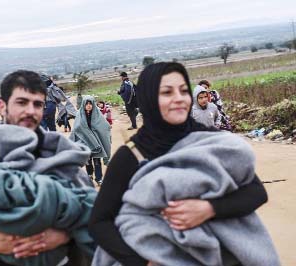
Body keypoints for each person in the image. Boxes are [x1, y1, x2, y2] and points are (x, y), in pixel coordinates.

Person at [89, 62, 278, 266]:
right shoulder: (132, 155)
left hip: (222, 256)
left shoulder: (209, 140)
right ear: (149, 98)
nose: (179, 98)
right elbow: (100, 222)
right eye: (167, 92)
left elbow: (256, 191)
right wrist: (142, 262)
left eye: (184, 91)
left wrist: (210, 208)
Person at [0, 70, 96, 266]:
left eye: (37, 104)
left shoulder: (61, 154)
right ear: (2, 107)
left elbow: (93, 213)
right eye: (22, 102)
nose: (31, 111)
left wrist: (66, 235)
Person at [70, 96, 111, 186]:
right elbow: (76, 129)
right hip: (85, 142)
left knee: (97, 161)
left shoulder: (97, 115)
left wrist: (107, 132)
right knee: (88, 161)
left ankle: (99, 178)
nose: (88, 106)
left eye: (90, 104)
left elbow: (104, 126)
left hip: (96, 143)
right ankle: (89, 176)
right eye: (87, 104)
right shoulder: (79, 115)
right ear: (84, 105)